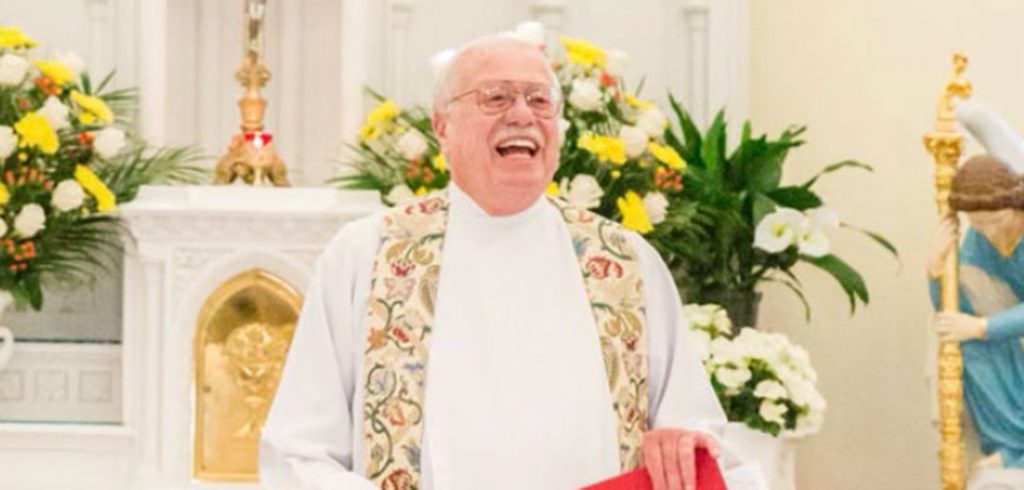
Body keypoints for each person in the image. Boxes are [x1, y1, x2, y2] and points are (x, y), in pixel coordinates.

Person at [260, 35, 756, 490]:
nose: (522, 114)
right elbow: (299, 451)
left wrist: (681, 443)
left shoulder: (625, 263)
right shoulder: (365, 255)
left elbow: (695, 437)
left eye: (539, 100)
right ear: (442, 127)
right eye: (495, 97)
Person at [929, 154, 1024, 474]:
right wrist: (936, 267)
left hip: (1007, 327)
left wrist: (983, 326)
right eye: (979, 224)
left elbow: (979, 322)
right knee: (966, 346)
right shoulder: (977, 241)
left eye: (996, 222)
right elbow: (952, 311)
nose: (988, 232)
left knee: (975, 333)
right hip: (1011, 339)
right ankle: (1011, 446)